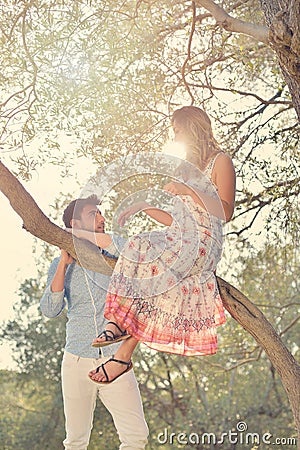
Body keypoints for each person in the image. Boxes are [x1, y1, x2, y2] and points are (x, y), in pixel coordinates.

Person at [69, 106, 236, 385]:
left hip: (204, 242)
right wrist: (144, 207)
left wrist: (188, 191)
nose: (176, 135)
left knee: (161, 267)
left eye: (178, 130)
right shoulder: (185, 169)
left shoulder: (221, 161)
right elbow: (177, 220)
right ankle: (118, 331)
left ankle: (121, 350)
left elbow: (226, 211)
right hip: (180, 237)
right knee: (138, 243)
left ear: (192, 128)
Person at [40, 195, 149, 450]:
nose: (101, 218)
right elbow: (50, 309)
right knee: (76, 441)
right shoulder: (59, 265)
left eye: (101, 213)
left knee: (136, 437)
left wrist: (81, 238)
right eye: (93, 215)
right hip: (76, 359)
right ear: (76, 224)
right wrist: (64, 264)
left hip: (115, 358)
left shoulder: (114, 253)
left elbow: (131, 251)